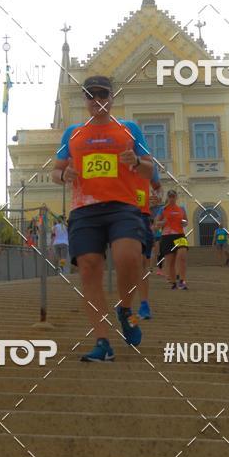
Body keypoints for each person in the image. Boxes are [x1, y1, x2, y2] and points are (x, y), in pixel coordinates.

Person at [50, 75, 153, 361]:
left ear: (112, 97)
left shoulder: (129, 129)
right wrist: (64, 175)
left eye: (102, 94)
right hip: (85, 209)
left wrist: (136, 162)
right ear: (84, 100)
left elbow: (149, 169)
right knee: (88, 268)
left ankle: (125, 309)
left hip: (122, 206)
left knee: (128, 257)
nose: (97, 100)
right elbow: (56, 172)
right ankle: (102, 341)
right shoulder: (72, 133)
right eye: (90, 95)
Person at [135, 171, 162, 320]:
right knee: (128, 261)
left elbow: (158, 188)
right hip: (121, 216)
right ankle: (125, 305)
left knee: (142, 263)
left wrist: (157, 197)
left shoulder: (146, 162)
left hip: (143, 216)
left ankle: (144, 304)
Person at [155, 190, 189, 290]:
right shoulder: (162, 209)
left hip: (180, 235)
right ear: (168, 198)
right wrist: (162, 222)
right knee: (170, 261)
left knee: (182, 256)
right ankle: (174, 282)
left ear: (176, 197)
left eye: (173, 196)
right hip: (167, 236)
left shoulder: (181, 208)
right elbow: (156, 223)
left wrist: (184, 222)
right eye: (170, 196)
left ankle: (182, 281)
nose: (172, 198)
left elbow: (186, 221)